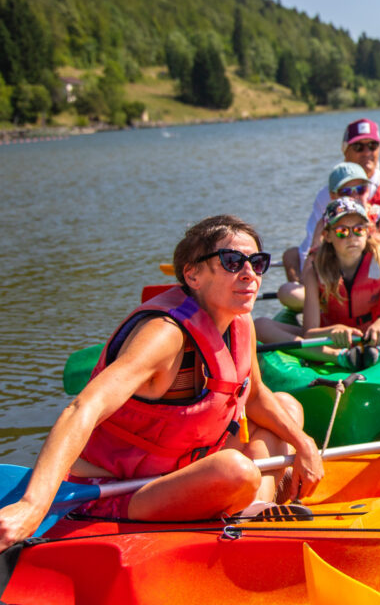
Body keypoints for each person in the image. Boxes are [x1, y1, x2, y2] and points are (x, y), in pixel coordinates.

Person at [0, 216, 323, 551]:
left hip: (187, 468)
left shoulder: (240, 320)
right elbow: (85, 406)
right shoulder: (164, 335)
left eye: (257, 263)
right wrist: (32, 505)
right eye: (232, 262)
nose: (250, 274)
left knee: (288, 408)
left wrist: (304, 445)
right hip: (120, 490)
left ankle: (255, 509)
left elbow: (254, 396)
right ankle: (248, 507)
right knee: (235, 471)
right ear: (192, 274)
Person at [258, 199, 380, 370]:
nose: (352, 237)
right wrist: (333, 330)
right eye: (342, 231)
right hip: (335, 340)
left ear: (367, 232)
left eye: (358, 229)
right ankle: (339, 357)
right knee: (260, 325)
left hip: (376, 336)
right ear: (327, 236)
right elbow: (309, 333)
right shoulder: (316, 271)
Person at [284, 118, 380, 283]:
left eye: (372, 146)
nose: (367, 152)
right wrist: (307, 279)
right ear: (346, 151)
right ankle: (314, 298)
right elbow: (311, 240)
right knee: (291, 256)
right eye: (358, 147)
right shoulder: (327, 194)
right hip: (344, 256)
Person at [277, 161, 380, 312]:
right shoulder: (325, 224)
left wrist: (377, 288)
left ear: (368, 191)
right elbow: (310, 268)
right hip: (334, 293)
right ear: (333, 195)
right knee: (287, 292)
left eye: (361, 189)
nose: (355, 196)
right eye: (346, 191)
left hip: (376, 293)